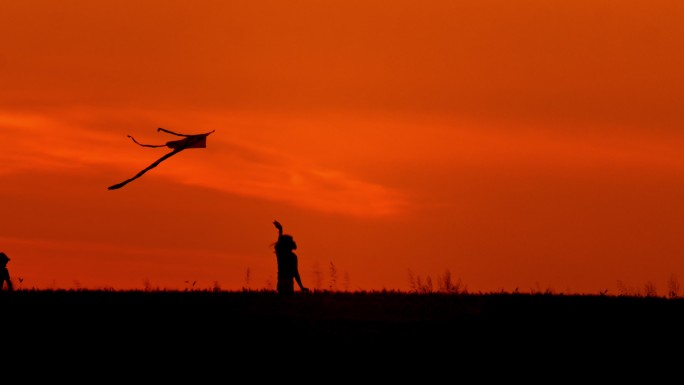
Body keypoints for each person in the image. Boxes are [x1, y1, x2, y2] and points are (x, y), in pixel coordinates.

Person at [273, 220, 309, 295]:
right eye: (292, 240)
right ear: (288, 244)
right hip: (288, 281)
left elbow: (279, 244)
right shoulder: (292, 257)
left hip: (281, 280)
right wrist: (301, 287)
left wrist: (280, 231)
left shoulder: (281, 254)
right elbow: (296, 273)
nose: (294, 242)